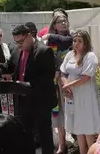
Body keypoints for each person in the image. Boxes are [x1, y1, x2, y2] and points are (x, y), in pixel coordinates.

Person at [8, 24, 57, 154]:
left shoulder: (44, 51)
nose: (19, 45)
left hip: (40, 101)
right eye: (16, 42)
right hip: (23, 101)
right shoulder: (17, 50)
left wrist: (27, 85)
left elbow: (47, 77)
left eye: (21, 41)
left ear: (29, 35)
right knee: (25, 135)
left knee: (44, 135)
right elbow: (10, 68)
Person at [59, 30, 100, 154]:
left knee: (87, 126)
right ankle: (82, 151)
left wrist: (68, 85)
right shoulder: (70, 55)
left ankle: (92, 151)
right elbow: (63, 72)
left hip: (85, 94)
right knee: (78, 126)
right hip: (72, 95)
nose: (76, 43)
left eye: (80, 41)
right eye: (74, 40)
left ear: (85, 43)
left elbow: (86, 77)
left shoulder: (90, 56)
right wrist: (66, 86)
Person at [42, 14, 74, 154]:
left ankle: (79, 140)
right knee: (59, 112)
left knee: (73, 111)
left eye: (64, 20)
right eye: (59, 22)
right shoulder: (49, 42)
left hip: (71, 80)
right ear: (54, 25)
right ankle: (62, 144)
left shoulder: (74, 36)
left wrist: (49, 36)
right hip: (55, 82)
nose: (63, 23)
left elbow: (68, 42)